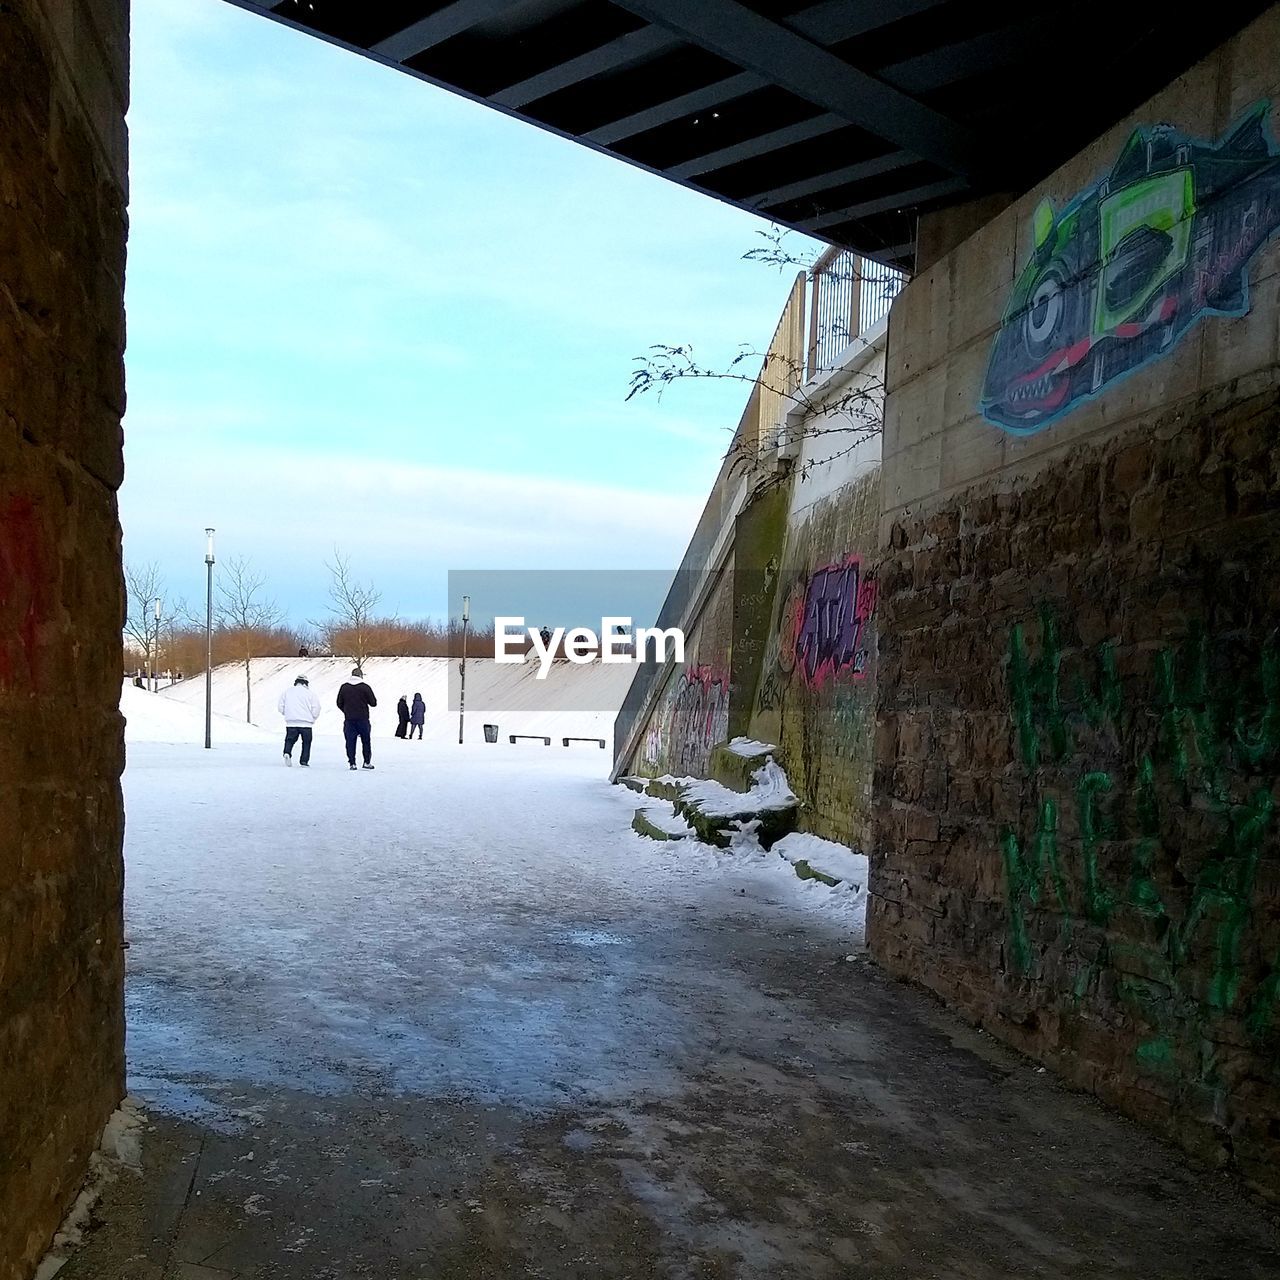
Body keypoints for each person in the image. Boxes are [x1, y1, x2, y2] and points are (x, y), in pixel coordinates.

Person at [337, 667, 378, 770]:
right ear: (361, 676)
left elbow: (339, 703)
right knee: (366, 741)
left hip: (349, 719)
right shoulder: (365, 687)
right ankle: (367, 762)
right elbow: (373, 703)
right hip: (363, 718)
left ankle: (352, 763)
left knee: (350, 741)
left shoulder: (344, 687)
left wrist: (346, 710)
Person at [277, 674, 321, 767]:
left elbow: (280, 706)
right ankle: (304, 761)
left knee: (289, 740)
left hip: (291, 722)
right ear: (306, 683)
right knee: (306, 742)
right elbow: (316, 707)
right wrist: (313, 717)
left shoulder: (287, 692)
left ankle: (287, 752)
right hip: (306, 723)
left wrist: (287, 714)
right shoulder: (310, 694)